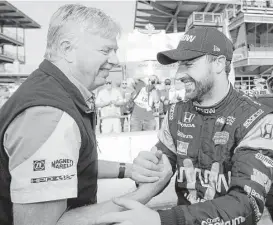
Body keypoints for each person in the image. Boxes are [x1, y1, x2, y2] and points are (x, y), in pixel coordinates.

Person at [0, 4, 172, 225]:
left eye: (115, 51)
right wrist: (145, 193)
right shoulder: (50, 114)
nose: (115, 60)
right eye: (105, 50)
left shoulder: (53, 91)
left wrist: (129, 170)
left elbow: (73, 162)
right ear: (66, 49)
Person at [95, 27, 273, 225]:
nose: (179, 74)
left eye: (188, 64)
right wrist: (146, 170)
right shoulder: (175, 113)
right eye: (179, 65)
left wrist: (163, 220)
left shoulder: (257, 118)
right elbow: (159, 171)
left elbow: (247, 205)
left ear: (219, 63)